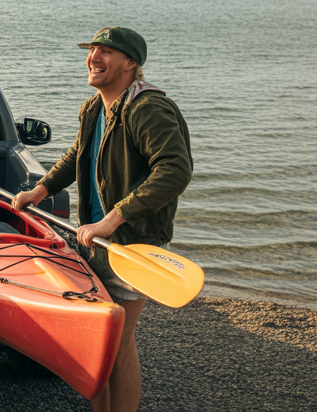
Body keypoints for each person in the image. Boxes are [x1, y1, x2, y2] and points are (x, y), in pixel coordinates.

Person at [11, 27, 192, 412]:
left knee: (119, 342)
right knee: (99, 341)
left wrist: (114, 218)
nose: (94, 56)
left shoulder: (146, 108)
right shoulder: (94, 107)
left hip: (132, 244)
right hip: (93, 239)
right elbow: (77, 154)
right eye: (92, 49)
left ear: (130, 64)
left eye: (106, 51)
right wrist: (38, 191)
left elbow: (175, 171)